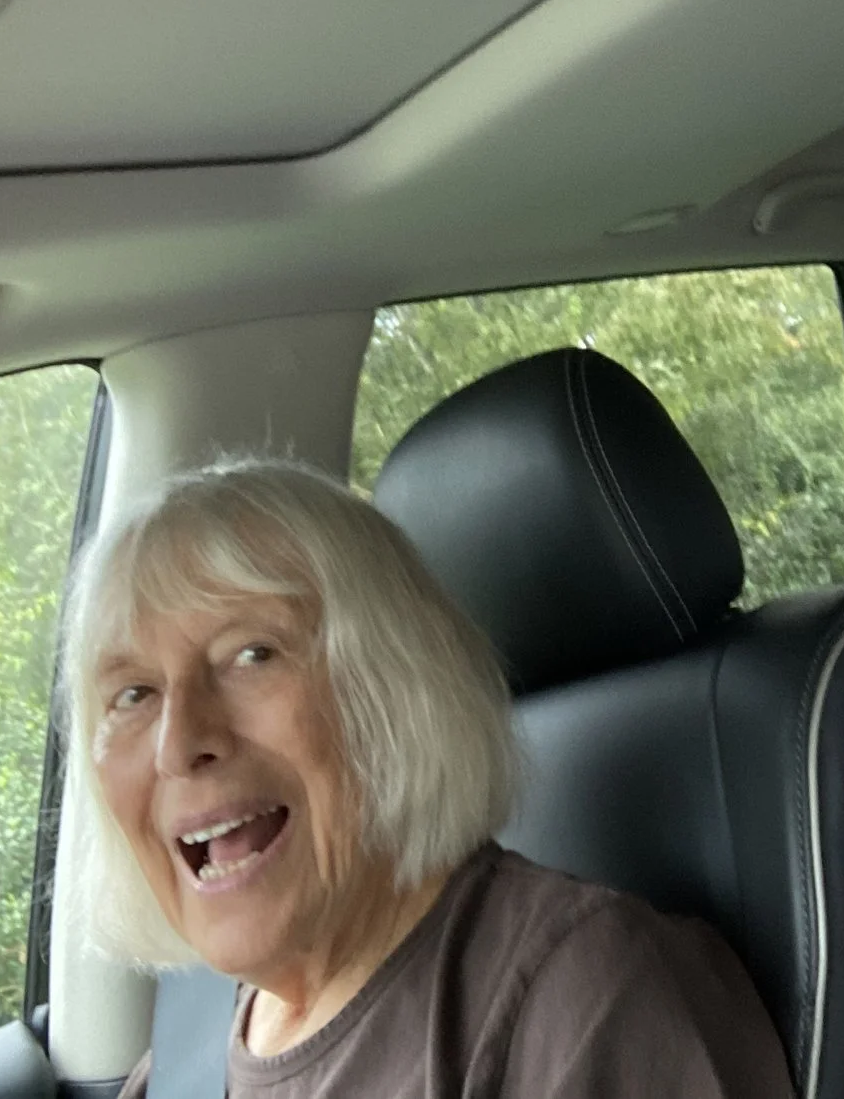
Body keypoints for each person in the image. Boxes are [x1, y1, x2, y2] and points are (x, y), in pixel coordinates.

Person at [58, 461, 794, 1098]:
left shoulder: (580, 995)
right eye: (132, 694)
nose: (179, 741)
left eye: (252, 653)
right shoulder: (191, 1045)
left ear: (392, 687)